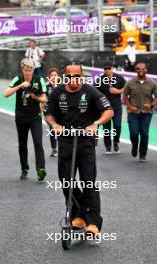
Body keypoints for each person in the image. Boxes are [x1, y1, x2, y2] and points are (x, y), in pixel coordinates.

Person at [45, 65, 114, 236]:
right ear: (65, 77)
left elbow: (109, 111)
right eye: (70, 76)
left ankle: (93, 222)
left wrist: (95, 124)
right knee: (66, 180)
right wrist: (54, 125)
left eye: (77, 76)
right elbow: (48, 112)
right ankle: (78, 216)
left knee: (88, 180)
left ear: (82, 76)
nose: (73, 80)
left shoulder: (91, 91)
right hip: (66, 141)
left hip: (86, 141)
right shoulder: (57, 92)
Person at [4, 58, 47, 180]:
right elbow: (6, 93)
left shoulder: (39, 80)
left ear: (33, 70)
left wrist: (35, 97)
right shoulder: (18, 78)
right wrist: (20, 86)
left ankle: (41, 169)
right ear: (22, 70)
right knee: (22, 144)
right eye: (26, 70)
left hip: (35, 117)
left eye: (30, 70)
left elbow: (44, 99)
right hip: (21, 117)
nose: (28, 73)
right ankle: (25, 169)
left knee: (38, 142)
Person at [123, 63, 157, 162]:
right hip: (133, 113)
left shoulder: (152, 83)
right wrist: (130, 107)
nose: (140, 70)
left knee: (144, 134)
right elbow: (124, 96)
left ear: (146, 70)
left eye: (143, 69)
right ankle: (134, 146)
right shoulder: (130, 82)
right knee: (134, 133)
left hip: (146, 113)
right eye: (138, 69)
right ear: (136, 70)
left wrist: (151, 105)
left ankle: (143, 154)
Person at [95, 62, 126, 154]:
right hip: (105, 109)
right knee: (106, 128)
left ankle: (116, 142)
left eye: (109, 68)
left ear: (112, 68)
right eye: (105, 69)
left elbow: (127, 88)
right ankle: (108, 146)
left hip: (117, 107)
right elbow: (94, 92)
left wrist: (118, 91)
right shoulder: (99, 80)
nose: (107, 70)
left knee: (117, 126)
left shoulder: (119, 78)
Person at [45, 68, 61, 157]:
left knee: (61, 130)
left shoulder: (62, 86)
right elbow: (44, 99)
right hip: (50, 112)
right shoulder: (46, 86)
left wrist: (55, 85)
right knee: (52, 130)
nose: (54, 77)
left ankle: (62, 147)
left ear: (58, 76)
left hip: (61, 111)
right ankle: (54, 149)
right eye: (52, 75)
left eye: (55, 75)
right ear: (49, 77)